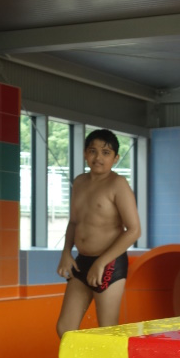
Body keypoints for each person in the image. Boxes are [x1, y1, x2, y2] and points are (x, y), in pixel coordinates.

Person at [56, 129, 141, 337]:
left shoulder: (117, 184)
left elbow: (134, 230)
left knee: (107, 329)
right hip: (82, 261)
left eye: (106, 153)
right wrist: (66, 252)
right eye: (93, 151)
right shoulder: (79, 182)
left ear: (115, 158)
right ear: (85, 153)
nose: (98, 158)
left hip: (109, 263)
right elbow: (74, 222)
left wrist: (102, 262)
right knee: (65, 329)